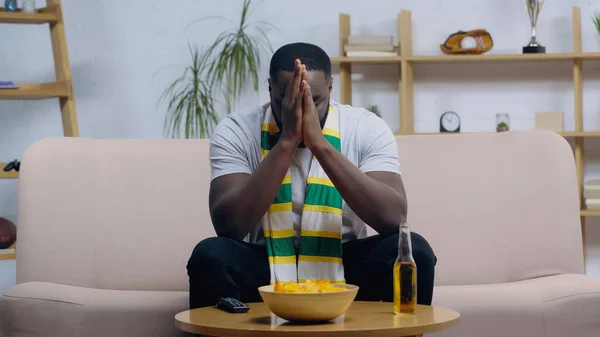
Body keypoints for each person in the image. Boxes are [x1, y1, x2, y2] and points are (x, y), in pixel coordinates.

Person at [187, 42, 437, 309]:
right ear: (269, 88)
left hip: (343, 260)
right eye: (286, 99)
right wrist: (287, 142)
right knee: (210, 255)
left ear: (330, 89)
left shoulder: (366, 127)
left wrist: (320, 145)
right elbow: (229, 227)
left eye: (315, 100)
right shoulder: (237, 128)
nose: (302, 109)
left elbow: (393, 220)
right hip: (266, 262)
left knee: (416, 252)